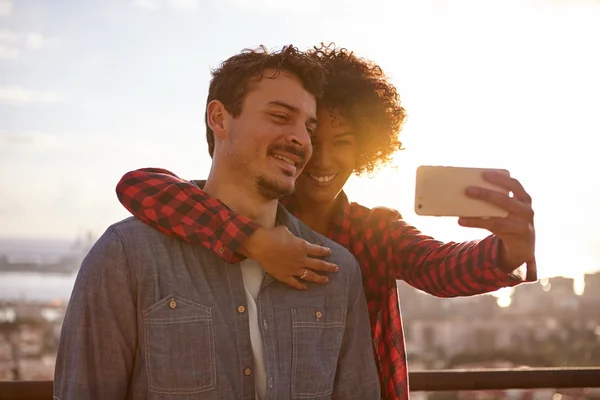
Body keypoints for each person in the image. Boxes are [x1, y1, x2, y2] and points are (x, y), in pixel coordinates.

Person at [116, 44, 537, 400]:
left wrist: (508, 251)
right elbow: (141, 185)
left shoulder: (373, 232)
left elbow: (439, 266)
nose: (323, 158)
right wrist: (254, 240)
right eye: (312, 138)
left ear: (369, 149)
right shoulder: (234, 213)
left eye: (345, 142)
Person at [54, 45, 380, 400]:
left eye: (308, 127)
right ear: (220, 119)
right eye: (280, 116)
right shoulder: (127, 258)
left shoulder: (335, 270)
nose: (301, 139)